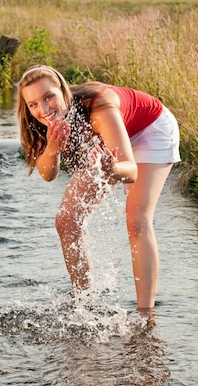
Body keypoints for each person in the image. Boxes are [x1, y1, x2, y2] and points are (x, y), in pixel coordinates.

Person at [16, 64, 180, 313]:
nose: (44, 109)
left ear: (63, 90)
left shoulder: (99, 108)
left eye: (49, 96)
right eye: (34, 104)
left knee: (137, 220)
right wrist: (52, 148)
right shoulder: (39, 121)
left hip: (150, 129)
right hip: (107, 141)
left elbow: (130, 170)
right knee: (66, 221)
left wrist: (110, 168)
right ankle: (84, 305)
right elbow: (48, 174)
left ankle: (146, 315)